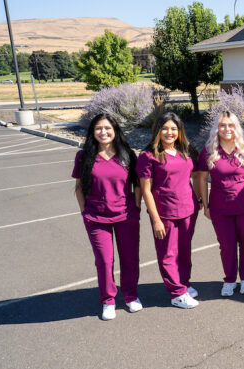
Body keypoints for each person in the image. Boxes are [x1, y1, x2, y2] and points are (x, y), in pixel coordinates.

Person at [72, 113, 142, 320]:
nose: (103, 132)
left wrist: (136, 209)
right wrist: (85, 213)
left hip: (126, 215)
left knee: (129, 259)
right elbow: (78, 188)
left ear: (115, 130)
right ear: (92, 132)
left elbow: (137, 185)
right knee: (104, 260)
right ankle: (108, 300)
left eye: (107, 128)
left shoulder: (127, 154)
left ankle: (130, 296)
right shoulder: (84, 156)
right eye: (98, 129)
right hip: (96, 217)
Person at [195, 111, 244, 297]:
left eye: (231, 125)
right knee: (226, 245)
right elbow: (202, 179)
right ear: (216, 129)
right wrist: (206, 204)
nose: (227, 129)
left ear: (237, 128)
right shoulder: (208, 151)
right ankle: (229, 280)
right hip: (220, 208)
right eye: (222, 125)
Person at [137, 112, 202, 309]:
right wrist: (156, 219)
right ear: (157, 130)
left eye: (174, 128)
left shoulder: (186, 151)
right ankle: (176, 293)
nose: (169, 132)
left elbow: (197, 176)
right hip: (164, 212)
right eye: (165, 128)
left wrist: (199, 200)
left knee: (184, 250)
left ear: (180, 131)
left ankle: (184, 283)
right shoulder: (148, 156)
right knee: (168, 253)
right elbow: (146, 191)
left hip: (188, 209)